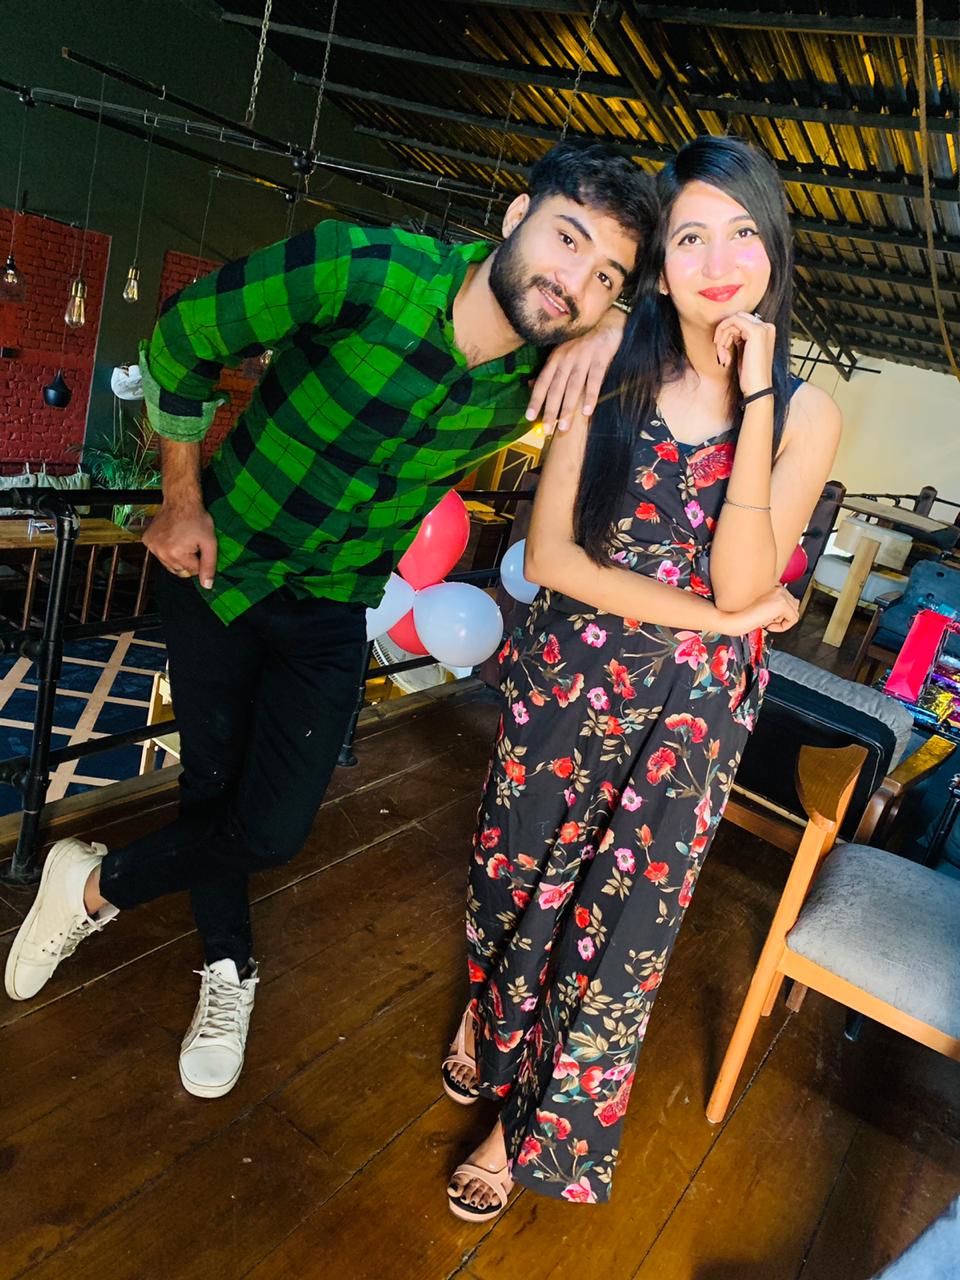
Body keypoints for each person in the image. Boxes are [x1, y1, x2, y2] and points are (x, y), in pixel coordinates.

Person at [4, 143, 657, 1103]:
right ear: (515, 217)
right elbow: (183, 335)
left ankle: (89, 886)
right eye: (569, 240)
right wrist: (179, 496)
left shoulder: (551, 366)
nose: (576, 283)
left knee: (271, 830)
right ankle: (229, 966)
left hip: (334, 603)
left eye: (606, 276)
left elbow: (710, 322)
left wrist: (626, 326)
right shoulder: (367, 269)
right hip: (220, 568)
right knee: (213, 789)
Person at [443, 135, 843, 1220]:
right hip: (569, 676)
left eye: (744, 233)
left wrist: (756, 398)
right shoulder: (613, 359)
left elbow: (746, 574)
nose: (719, 261)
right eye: (690, 237)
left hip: (691, 719)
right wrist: (719, 619)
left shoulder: (804, 412)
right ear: (660, 265)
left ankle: (520, 1127)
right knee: (510, 882)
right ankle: (489, 1012)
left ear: (775, 250)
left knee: (616, 936)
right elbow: (549, 556)